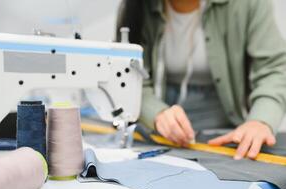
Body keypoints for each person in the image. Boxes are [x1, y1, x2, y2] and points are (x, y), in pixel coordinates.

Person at [116, 0, 286, 160]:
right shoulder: (137, 8)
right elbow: (126, 77)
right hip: (156, 131)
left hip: (223, 128)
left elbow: (274, 69)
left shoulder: (248, 4)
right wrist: (155, 113)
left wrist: (261, 120)